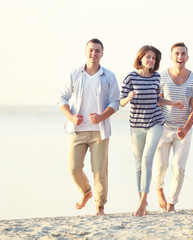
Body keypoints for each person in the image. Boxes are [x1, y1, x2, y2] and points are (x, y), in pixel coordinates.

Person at [58, 38, 120, 216]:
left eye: (97, 51)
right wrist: (70, 117)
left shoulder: (108, 76)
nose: (94, 53)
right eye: (91, 50)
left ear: (102, 53)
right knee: (73, 168)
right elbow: (62, 98)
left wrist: (101, 116)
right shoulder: (75, 74)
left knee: (100, 171)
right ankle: (86, 192)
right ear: (86, 52)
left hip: (99, 132)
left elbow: (115, 101)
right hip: (77, 130)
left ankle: (100, 207)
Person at [120, 45, 183, 217]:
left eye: (154, 58)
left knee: (147, 159)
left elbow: (157, 98)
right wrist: (129, 97)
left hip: (155, 122)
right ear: (140, 58)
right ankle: (143, 200)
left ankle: (142, 203)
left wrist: (172, 103)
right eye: (148, 57)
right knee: (139, 164)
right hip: (136, 125)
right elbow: (121, 102)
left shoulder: (156, 77)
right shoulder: (130, 77)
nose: (151, 60)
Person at [153, 42, 193, 212]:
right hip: (163, 128)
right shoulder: (161, 77)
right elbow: (156, 101)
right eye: (177, 54)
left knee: (179, 167)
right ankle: (159, 189)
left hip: (184, 130)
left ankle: (172, 203)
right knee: (161, 167)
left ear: (187, 57)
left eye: (183, 54)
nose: (180, 57)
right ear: (171, 56)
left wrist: (186, 128)